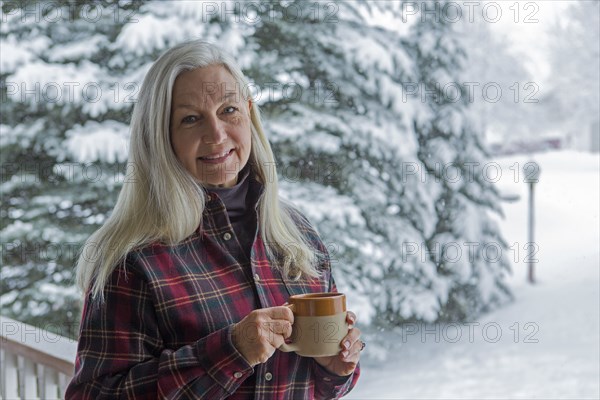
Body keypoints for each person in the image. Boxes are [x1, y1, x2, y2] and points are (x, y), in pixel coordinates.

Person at [65, 40, 362, 399]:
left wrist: (335, 369)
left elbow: (315, 383)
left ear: (249, 115)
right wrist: (230, 351)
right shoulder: (131, 260)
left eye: (229, 110)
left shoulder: (297, 233)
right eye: (191, 119)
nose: (217, 135)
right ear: (162, 136)